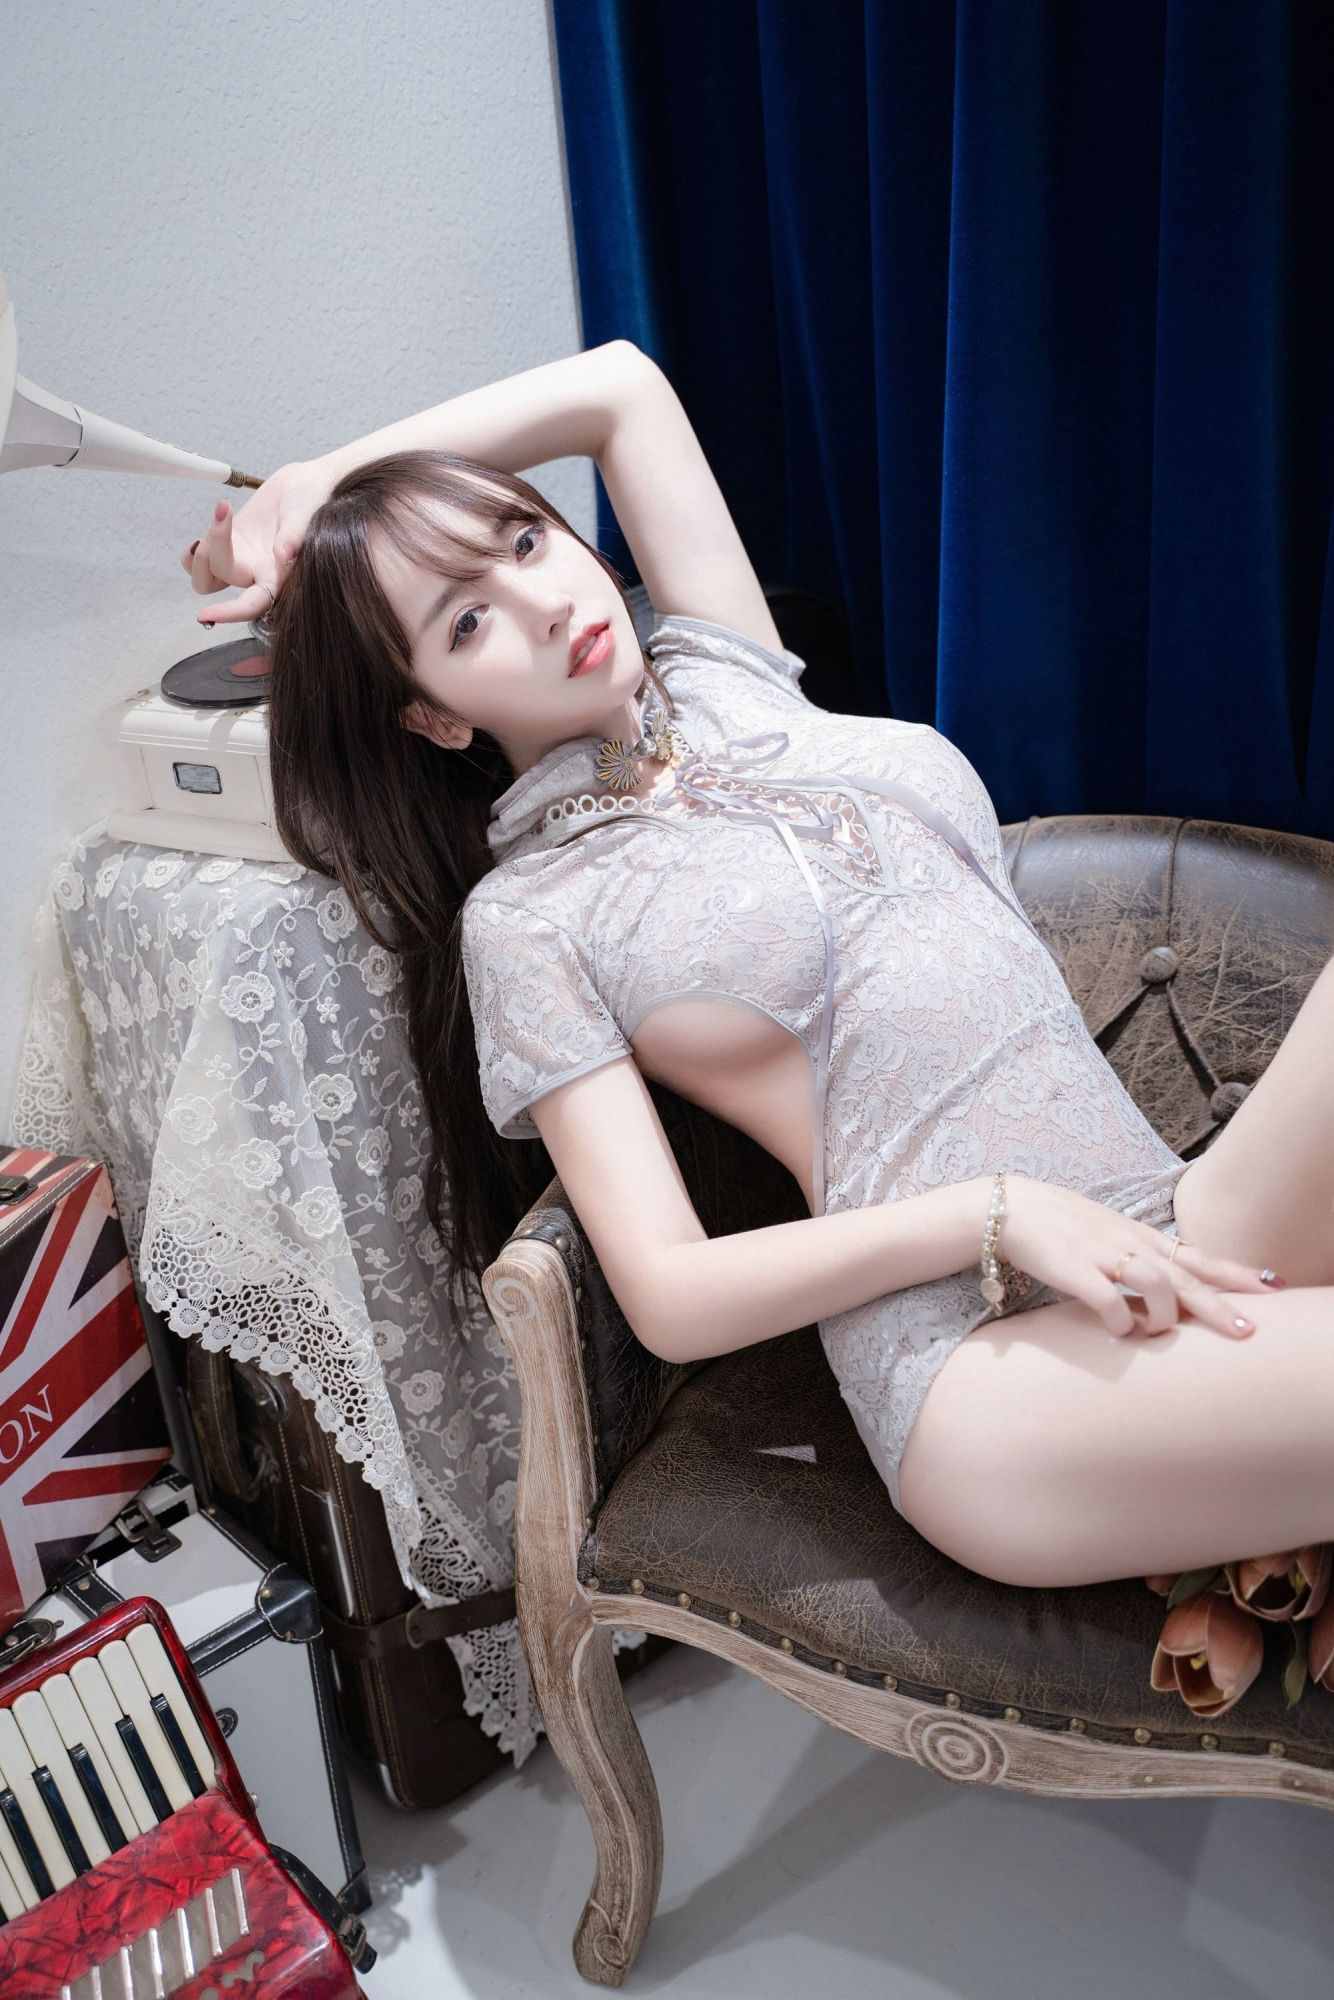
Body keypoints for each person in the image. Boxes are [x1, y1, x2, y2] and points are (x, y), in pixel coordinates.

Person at [179, 339, 1334, 1594]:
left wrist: (317, 488)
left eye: (523, 539)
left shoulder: (727, 678)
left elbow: (618, 389)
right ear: (433, 714)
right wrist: (994, 1212)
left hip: (1169, 1220)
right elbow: (669, 1291)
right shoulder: (529, 918)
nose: (543, 600)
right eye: (465, 621)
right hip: (980, 1360)